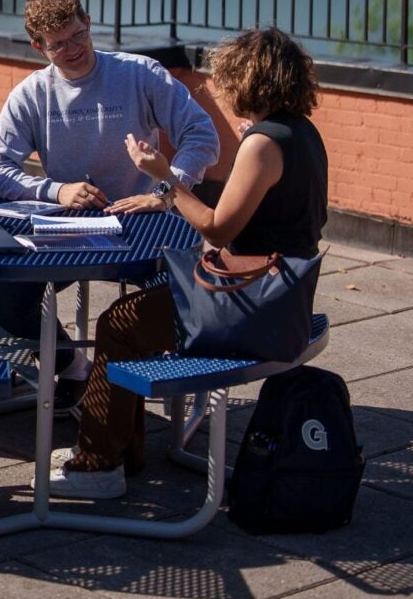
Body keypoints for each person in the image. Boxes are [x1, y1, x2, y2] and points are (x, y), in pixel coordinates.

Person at [44, 26, 328, 499]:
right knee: (135, 317)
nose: (217, 86)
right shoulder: (299, 131)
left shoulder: (263, 144)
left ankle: (96, 465)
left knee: (121, 323)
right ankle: (120, 451)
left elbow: (217, 228)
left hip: (254, 302)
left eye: (225, 77)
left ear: (248, 80)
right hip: (285, 291)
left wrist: (163, 179)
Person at [0, 0, 219, 413]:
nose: (73, 50)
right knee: (4, 300)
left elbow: (202, 136)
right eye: (58, 44)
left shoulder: (139, 73)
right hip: (72, 225)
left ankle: (148, 393)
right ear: (39, 46)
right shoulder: (32, 94)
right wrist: (56, 190)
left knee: (166, 302)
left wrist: (166, 192)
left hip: (148, 222)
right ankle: (74, 365)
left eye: (78, 36)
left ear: (88, 23)